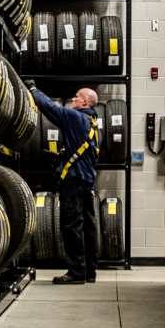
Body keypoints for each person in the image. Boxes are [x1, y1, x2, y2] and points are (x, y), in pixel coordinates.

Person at [24, 81, 101, 285]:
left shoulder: (75, 117)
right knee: (88, 227)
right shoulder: (93, 126)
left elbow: (48, 107)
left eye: (76, 96)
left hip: (73, 181)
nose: (72, 100)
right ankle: (89, 272)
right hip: (86, 181)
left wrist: (33, 89)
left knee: (71, 225)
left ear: (85, 102)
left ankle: (76, 272)